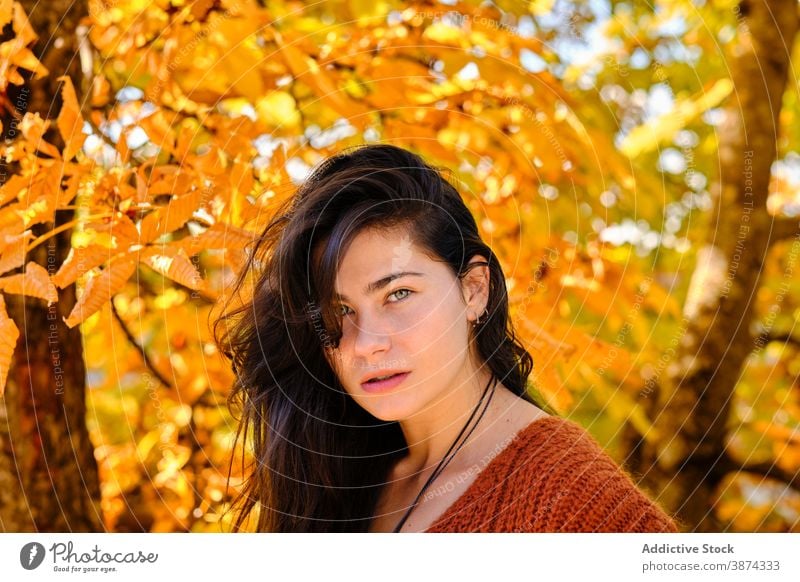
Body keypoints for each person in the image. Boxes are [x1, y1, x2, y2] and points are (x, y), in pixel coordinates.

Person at [214, 143, 679, 533]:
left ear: (474, 289)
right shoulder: (344, 480)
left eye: (398, 293)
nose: (364, 342)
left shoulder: (570, 499)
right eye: (341, 311)